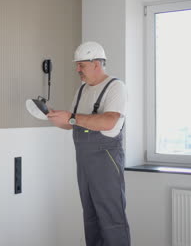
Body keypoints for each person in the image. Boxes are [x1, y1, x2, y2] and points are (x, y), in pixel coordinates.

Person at [47, 41, 130, 246]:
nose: (77, 69)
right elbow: (72, 124)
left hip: (105, 162)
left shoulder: (115, 87)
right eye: (77, 65)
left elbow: (109, 120)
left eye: (81, 65)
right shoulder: (82, 90)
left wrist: (72, 118)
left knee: (111, 219)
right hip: (84, 163)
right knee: (91, 218)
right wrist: (57, 118)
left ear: (96, 64)